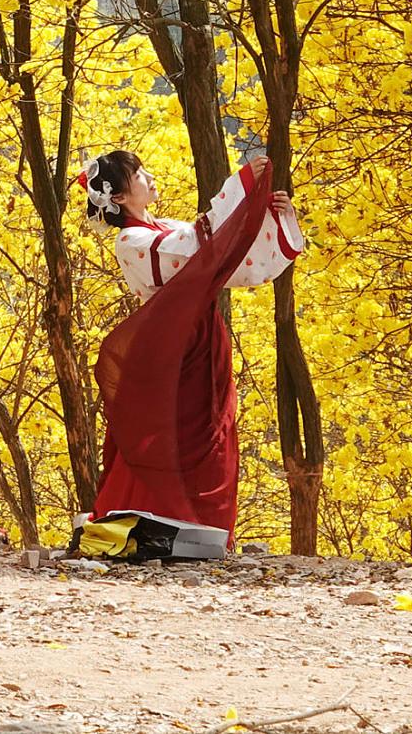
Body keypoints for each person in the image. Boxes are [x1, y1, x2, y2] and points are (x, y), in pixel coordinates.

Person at [81, 150, 304, 542]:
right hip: (169, 344)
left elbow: (225, 255)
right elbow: (199, 247)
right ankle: (160, 523)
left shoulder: (162, 227)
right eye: (137, 174)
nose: (148, 176)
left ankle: (203, 531)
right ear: (117, 198)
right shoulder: (131, 240)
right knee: (176, 433)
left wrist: (266, 214)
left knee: (213, 427)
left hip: (199, 335)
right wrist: (240, 192)